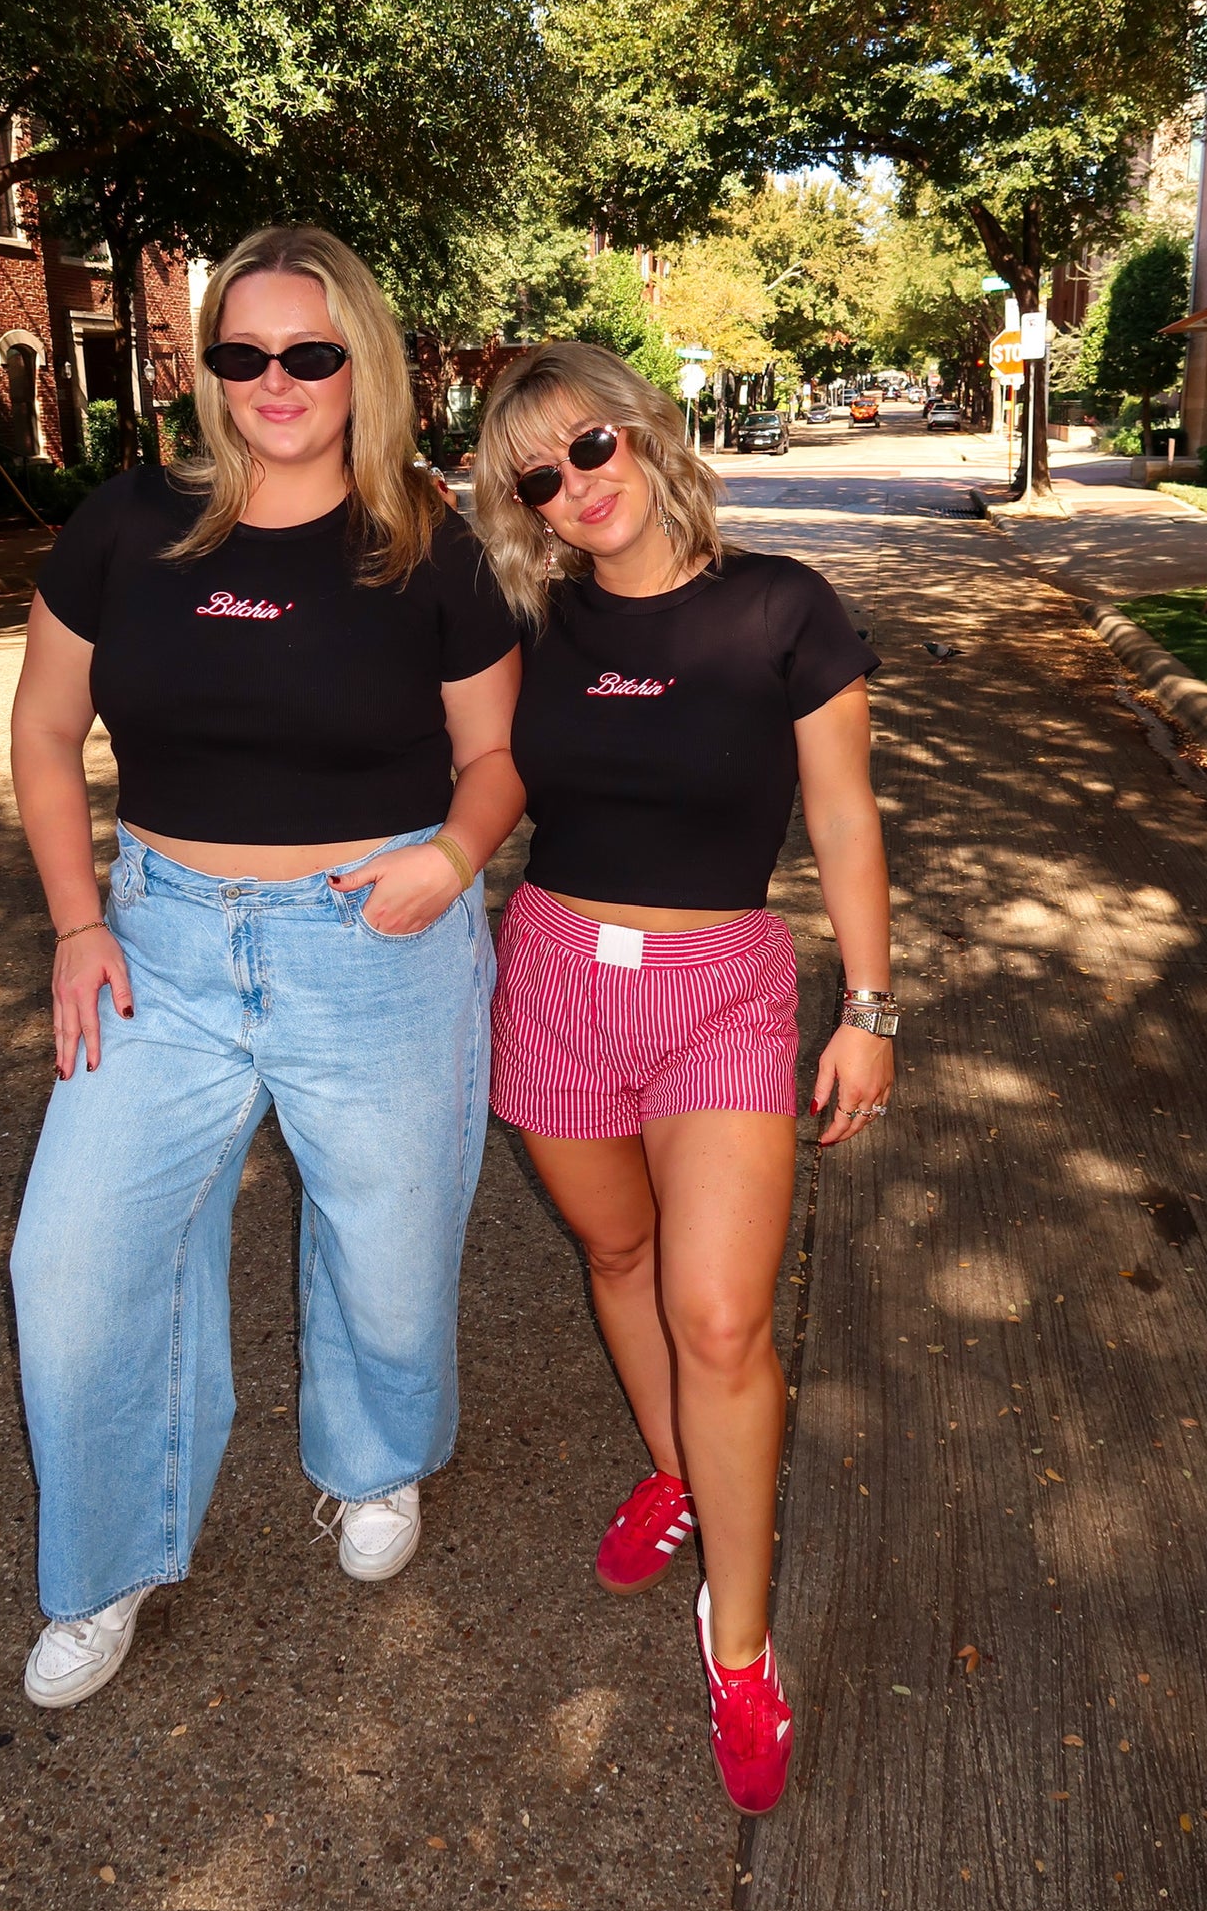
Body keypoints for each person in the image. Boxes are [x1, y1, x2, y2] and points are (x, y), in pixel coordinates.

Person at [9, 225, 522, 1708]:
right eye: (243, 354)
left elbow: (492, 758)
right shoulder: (128, 523)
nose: (276, 381)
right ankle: (107, 1558)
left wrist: (450, 858)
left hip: (376, 941)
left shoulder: (433, 540)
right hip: (160, 943)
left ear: (362, 359)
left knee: (389, 1239)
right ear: (205, 367)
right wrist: (76, 920)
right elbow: (48, 733)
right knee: (75, 1256)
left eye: (310, 353)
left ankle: (371, 1461)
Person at [471, 341, 894, 1816]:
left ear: (643, 432)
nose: (574, 484)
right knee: (617, 1251)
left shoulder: (782, 606)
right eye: (536, 473)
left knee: (718, 1316)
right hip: (554, 975)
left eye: (589, 446)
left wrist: (871, 1003)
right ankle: (675, 1475)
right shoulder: (525, 621)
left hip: (721, 985)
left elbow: (841, 818)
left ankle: (738, 1644)